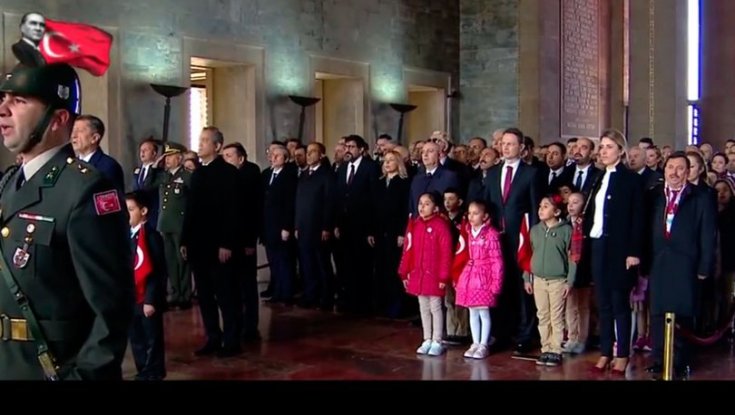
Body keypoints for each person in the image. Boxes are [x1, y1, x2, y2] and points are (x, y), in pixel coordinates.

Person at [0, 63, 133, 380]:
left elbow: (112, 309)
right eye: (4, 98)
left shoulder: (87, 190)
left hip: (50, 368)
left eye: (19, 101)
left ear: (59, 119)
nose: (3, 109)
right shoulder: (8, 183)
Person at [523, 194, 575, 367]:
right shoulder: (535, 230)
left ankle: (555, 350)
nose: (541, 209)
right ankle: (545, 348)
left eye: (546, 206)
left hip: (557, 281)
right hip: (538, 280)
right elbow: (528, 255)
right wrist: (527, 277)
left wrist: (570, 281)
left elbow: (572, 257)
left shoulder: (566, 230)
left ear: (557, 211)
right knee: (542, 315)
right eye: (540, 206)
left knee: (556, 316)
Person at [398, 192, 452, 356]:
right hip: (418, 274)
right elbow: (408, 250)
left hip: (434, 275)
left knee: (436, 307)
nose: (422, 207)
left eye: (426, 204)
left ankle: (437, 340)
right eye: (420, 203)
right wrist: (405, 271)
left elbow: (446, 253)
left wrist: (444, 276)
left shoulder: (441, 225)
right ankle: (426, 338)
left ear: (435, 207)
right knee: (423, 308)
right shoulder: (416, 225)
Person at [454, 200, 504, 359]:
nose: (471, 216)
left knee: (483, 311)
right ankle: (475, 342)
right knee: (472, 311)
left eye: (475, 213)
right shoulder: (468, 232)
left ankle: (484, 343)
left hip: (484, 277)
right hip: (471, 276)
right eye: (469, 213)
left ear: (485, 216)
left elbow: (497, 260)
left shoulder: (491, 234)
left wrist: (496, 282)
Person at [126, 191, 166, 381]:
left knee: (152, 338)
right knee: (137, 338)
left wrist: (151, 299)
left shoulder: (151, 236)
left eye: (131, 209)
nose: (127, 214)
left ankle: (154, 371)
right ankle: (143, 369)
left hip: (146, 298)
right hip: (131, 297)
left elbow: (156, 271)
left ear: (143, 211)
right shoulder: (127, 236)